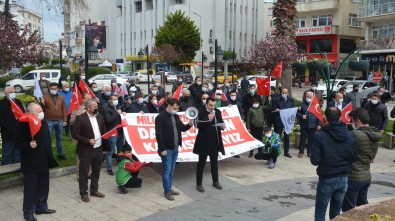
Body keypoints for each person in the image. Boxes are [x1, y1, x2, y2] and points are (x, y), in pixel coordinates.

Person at [310, 107, 357, 221]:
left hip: (327, 178)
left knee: (320, 213)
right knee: (336, 213)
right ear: (340, 117)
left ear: (325, 118)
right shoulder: (351, 135)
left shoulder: (320, 136)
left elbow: (314, 160)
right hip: (343, 178)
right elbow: (354, 157)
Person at [15, 102, 58, 221]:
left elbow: (47, 140)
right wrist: (28, 145)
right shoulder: (23, 124)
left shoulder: (42, 122)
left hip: (43, 160)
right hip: (31, 162)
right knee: (31, 188)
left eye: (41, 110)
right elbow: (18, 143)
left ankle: (41, 206)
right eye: (39, 111)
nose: (41, 113)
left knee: (44, 186)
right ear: (31, 112)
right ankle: (28, 212)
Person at [342, 108, 380, 212]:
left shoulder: (355, 135)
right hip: (366, 175)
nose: (352, 123)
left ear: (357, 121)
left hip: (354, 176)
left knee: (348, 209)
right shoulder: (375, 134)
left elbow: (347, 152)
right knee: (363, 207)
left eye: (352, 121)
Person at [155, 98, 193, 200]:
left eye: (177, 108)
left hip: (175, 147)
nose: (176, 110)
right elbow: (159, 135)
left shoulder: (176, 116)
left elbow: (182, 128)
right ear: (169, 106)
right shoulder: (160, 118)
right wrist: (162, 148)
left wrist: (190, 124)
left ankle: (169, 188)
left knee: (171, 170)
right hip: (166, 149)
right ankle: (167, 191)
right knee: (167, 170)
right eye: (175, 108)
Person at [72, 99, 108, 203]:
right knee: (84, 173)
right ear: (88, 108)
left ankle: (94, 190)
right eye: (95, 107)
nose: (97, 108)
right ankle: (83, 193)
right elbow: (75, 134)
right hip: (85, 150)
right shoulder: (80, 118)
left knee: (96, 171)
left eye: (97, 106)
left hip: (98, 149)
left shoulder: (100, 117)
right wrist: (88, 141)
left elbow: (103, 130)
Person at [193, 97, 226, 193]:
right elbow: (197, 125)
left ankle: (215, 181)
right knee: (201, 163)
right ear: (206, 104)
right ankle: (199, 184)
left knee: (214, 162)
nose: (213, 107)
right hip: (203, 141)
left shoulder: (218, 112)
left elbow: (221, 123)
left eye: (214, 105)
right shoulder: (201, 111)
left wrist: (223, 126)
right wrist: (208, 119)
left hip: (215, 141)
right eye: (211, 105)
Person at [41, 83, 68, 160]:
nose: (54, 90)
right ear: (49, 88)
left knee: (59, 138)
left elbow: (64, 109)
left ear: (58, 89)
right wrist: (42, 103)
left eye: (55, 89)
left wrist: (65, 120)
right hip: (49, 121)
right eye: (52, 88)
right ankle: (49, 154)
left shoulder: (61, 97)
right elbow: (42, 109)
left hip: (59, 120)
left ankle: (60, 153)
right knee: (48, 138)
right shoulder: (45, 97)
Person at [70, 93, 92, 181]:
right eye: (88, 99)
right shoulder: (76, 108)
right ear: (83, 100)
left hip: (90, 136)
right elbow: (71, 122)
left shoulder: (92, 108)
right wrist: (77, 117)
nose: (90, 101)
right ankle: (80, 175)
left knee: (90, 155)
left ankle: (89, 173)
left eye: (91, 99)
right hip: (80, 137)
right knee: (80, 157)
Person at [0, 86, 24, 165]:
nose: (13, 94)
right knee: (7, 150)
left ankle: (16, 164)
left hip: (19, 130)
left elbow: (22, 113)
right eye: (10, 92)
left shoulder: (18, 101)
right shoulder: (1, 104)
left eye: (13, 92)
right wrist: (9, 127)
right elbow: (1, 119)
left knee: (17, 149)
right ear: (6, 94)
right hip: (8, 132)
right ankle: (6, 166)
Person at [102, 94, 125, 175]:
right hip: (112, 132)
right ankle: (109, 168)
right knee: (110, 151)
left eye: (116, 99)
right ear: (110, 100)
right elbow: (108, 120)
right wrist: (117, 113)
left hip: (120, 132)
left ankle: (121, 166)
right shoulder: (106, 108)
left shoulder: (117, 107)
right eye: (114, 99)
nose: (116, 101)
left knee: (120, 150)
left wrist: (122, 114)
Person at [297, 92, 322, 158]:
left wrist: (319, 124)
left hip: (313, 125)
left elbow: (319, 115)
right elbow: (297, 113)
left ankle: (309, 152)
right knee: (302, 139)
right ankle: (301, 152)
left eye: (310, 97)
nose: (309, 98)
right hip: (304, 125)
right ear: (306, 97)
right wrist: (302, 116)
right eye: (308, 97)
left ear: (313, 97)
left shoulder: (316, 105)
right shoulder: (302, 104)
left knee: (311, 140)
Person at [272, 88, 294, 158]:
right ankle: (276, 151)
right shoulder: (277, 100)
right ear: (281, 93)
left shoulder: (291, 100)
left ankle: (286, 152)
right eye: (283, 93)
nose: (284, 94)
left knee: (287, 137)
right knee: (277, 137)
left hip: (287, 122)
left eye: (285, 93)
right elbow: (273, 109)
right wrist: (276, 110)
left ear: (288, 93)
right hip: (279, 121)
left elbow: (293, 110)